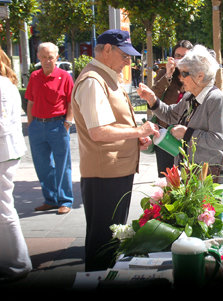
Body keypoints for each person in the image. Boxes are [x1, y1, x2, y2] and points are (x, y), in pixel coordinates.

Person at [71, 29, 159, 271]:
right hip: (105, 176)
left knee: (111, 240)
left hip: (114, 172)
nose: (128, 62)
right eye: (124, 56)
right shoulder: (93, 81)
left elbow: (114, 126)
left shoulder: (104, 77)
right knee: (103, 243)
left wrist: (135, 138)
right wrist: (138, 133)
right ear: (107, 50)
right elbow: (98, 132)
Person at [138, 44, 223, 185]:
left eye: (184, 73)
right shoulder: (190, 96)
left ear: (200, 76)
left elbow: (219, 140)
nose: (180, 78)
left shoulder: (217, 100)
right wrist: (152, 99)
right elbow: (171, 115)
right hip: (194, 174)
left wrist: (187, 133)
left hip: (213, 178)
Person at [25, 42, 74, 215]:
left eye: (51, 57)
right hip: (37, 126)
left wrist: (67, 123)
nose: (47, 61)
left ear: (57, 57)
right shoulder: (34, 76)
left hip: (57, 125)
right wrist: (31, 124)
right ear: (38, 57)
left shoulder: (64, 77)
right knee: (42, 165)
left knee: (63, 165)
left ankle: (65, 200)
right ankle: (50, 199)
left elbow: (71, 102)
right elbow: (30, 102)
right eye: (44, 57)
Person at [0, 47, 33, 282]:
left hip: (4, 153)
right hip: (6, 151)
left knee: (4, 210)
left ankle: (18, 264)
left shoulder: (3, 85)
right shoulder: (7, 84)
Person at [151, 40, 193, 177]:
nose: (180, 59)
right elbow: (153, 97)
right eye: (177, 55)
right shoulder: (165, 73)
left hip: (188, 133)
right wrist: (168, 74)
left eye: (184, 56)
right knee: (167, 178)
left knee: (187, 177)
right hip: (167, 134)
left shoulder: (195, 75)